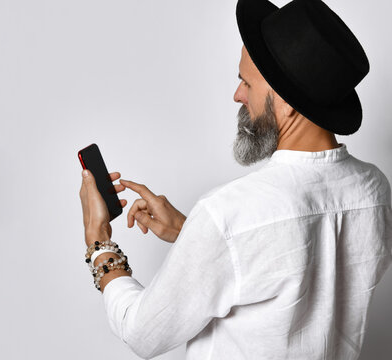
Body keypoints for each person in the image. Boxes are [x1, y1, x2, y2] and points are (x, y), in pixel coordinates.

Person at [79, 0, 392, 358]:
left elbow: (141, 331)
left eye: (246, 82)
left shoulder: (231, 212)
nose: (237, 95)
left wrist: (98, 241)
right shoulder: (375, 191)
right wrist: (192, 234)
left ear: (288, 104)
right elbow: (289, 268)